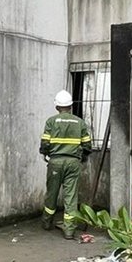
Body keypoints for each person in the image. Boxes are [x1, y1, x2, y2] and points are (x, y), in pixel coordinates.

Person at [39, 90, 93, 239]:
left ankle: (46, 222)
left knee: (52, 193)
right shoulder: (80, 122)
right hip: (73, 162)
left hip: (55, 162)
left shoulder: (51, 121)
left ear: (57, 106)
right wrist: (82, 157)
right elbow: (88, 145)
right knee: (71, 196)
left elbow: (45, 143)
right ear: (70, 105)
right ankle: (69, 230)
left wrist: (45, 153)